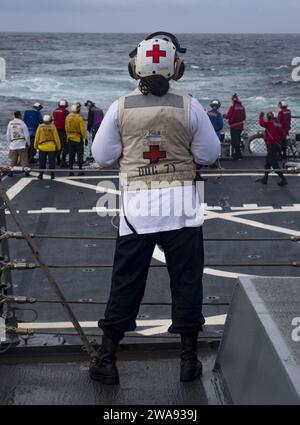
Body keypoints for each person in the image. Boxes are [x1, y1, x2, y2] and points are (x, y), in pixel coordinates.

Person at [90, 32, 220, 385]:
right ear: (177, 67)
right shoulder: (188, 105)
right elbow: (209, 154)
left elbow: (101, 157)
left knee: (126, 285)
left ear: (135, 67)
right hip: (182, 209)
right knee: (187, 283)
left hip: (137, 212)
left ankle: (107, 359)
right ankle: (189, 361)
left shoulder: (120, 107)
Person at [256, 111, 287, 186]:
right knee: (267, 163)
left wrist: (261, 115)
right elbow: (283, 136)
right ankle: (265, 179)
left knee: (274, 164)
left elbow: (261, 123)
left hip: (271, 146)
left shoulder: (270, 123)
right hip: (276, 145)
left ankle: (283, 179)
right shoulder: (279, 125)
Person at [34, 114, 61, 180]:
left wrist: (35, 146)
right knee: (52, 162)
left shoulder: (40, 127)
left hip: (42, 147)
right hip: (51, 147)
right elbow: (56, 138)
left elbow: (37, 137)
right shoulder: (53, 127)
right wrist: (58, 146)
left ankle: (41, 174)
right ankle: (52, 175)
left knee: (42, 162)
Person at [65, 103, 88, 176]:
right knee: (79, 154)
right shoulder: (79, 118)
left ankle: (70, 170)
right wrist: (85, 138)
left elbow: (66, 127)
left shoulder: (68, 117)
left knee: (71, 154)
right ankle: (80, 169)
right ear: (78, 110)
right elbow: (82, 130)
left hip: (69, 138)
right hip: (78, 138)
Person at [224, 94, 246, 160]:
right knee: (238, 140)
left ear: (233, 100)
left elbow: (228, 116)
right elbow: (244, 117)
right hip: (240, 126)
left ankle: (236, 155)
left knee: (234, 141)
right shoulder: (242, 107)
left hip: (234, 126)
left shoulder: (232, 107)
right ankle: (239, 154)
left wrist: (224, 115)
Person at [53, 100, 69, 167]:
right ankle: (63, 161)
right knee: (65, 147)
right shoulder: (65, 112)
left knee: (57, 146)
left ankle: (57, 160)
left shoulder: (55, 111)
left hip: (55, 130)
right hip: (63, 131)